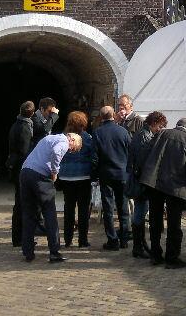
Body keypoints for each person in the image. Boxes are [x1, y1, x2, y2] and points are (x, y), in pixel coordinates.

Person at [140, 118, 186, 269]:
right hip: (176, 185)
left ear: (177, 125)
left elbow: (147, 151)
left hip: (155, 182)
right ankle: (172, 257)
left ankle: (155, 255)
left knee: (155, 220)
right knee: (174, 223)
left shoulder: (161, 134)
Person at [20, 131, 82, 264]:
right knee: (50, 213)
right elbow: (56, 152)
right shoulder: (63, 141)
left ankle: (28, 251)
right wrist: (55, 171)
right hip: (40, 176)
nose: (70, 151)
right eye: (73, 149)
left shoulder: (49, 138)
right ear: (71, 139)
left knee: (29, 213)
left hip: (25, 172)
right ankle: (54, 251)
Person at [127, 111, 167, 259]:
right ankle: (138, 246)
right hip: (142, 182)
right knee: (140, 212)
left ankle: (141, 245)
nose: (160, 129)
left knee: (140, 211)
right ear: (154, 123)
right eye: (160, 126)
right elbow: (144, 161)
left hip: (140, 180)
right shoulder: (145, 136)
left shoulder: (142, 134)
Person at [92, 105, 131, 250]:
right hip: (122, 174)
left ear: (101, 117)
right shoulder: (123, 131)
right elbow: (130, 151)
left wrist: (94, 174)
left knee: (108, 208)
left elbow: (94, 156)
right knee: (123, 207)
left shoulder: (98, 133)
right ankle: (124, 239)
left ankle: (112, 240)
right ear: (114, 115)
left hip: (106, 174)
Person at [59, 111, 93, 248]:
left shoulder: (63, 137)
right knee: (83, 210)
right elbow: (92, 155)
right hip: (83, 176)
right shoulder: (87, 137)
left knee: (69, 208)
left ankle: (68, 239)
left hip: (66, 176)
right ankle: (83, 240)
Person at [7, 100, 36, 247]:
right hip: (21, 168)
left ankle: (19, 237)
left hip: (16, 166)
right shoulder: (24, 127)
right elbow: (25, 151)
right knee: (22, 204)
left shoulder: (17, 124)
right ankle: (20, 237)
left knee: (20, 203)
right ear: (31, 113)